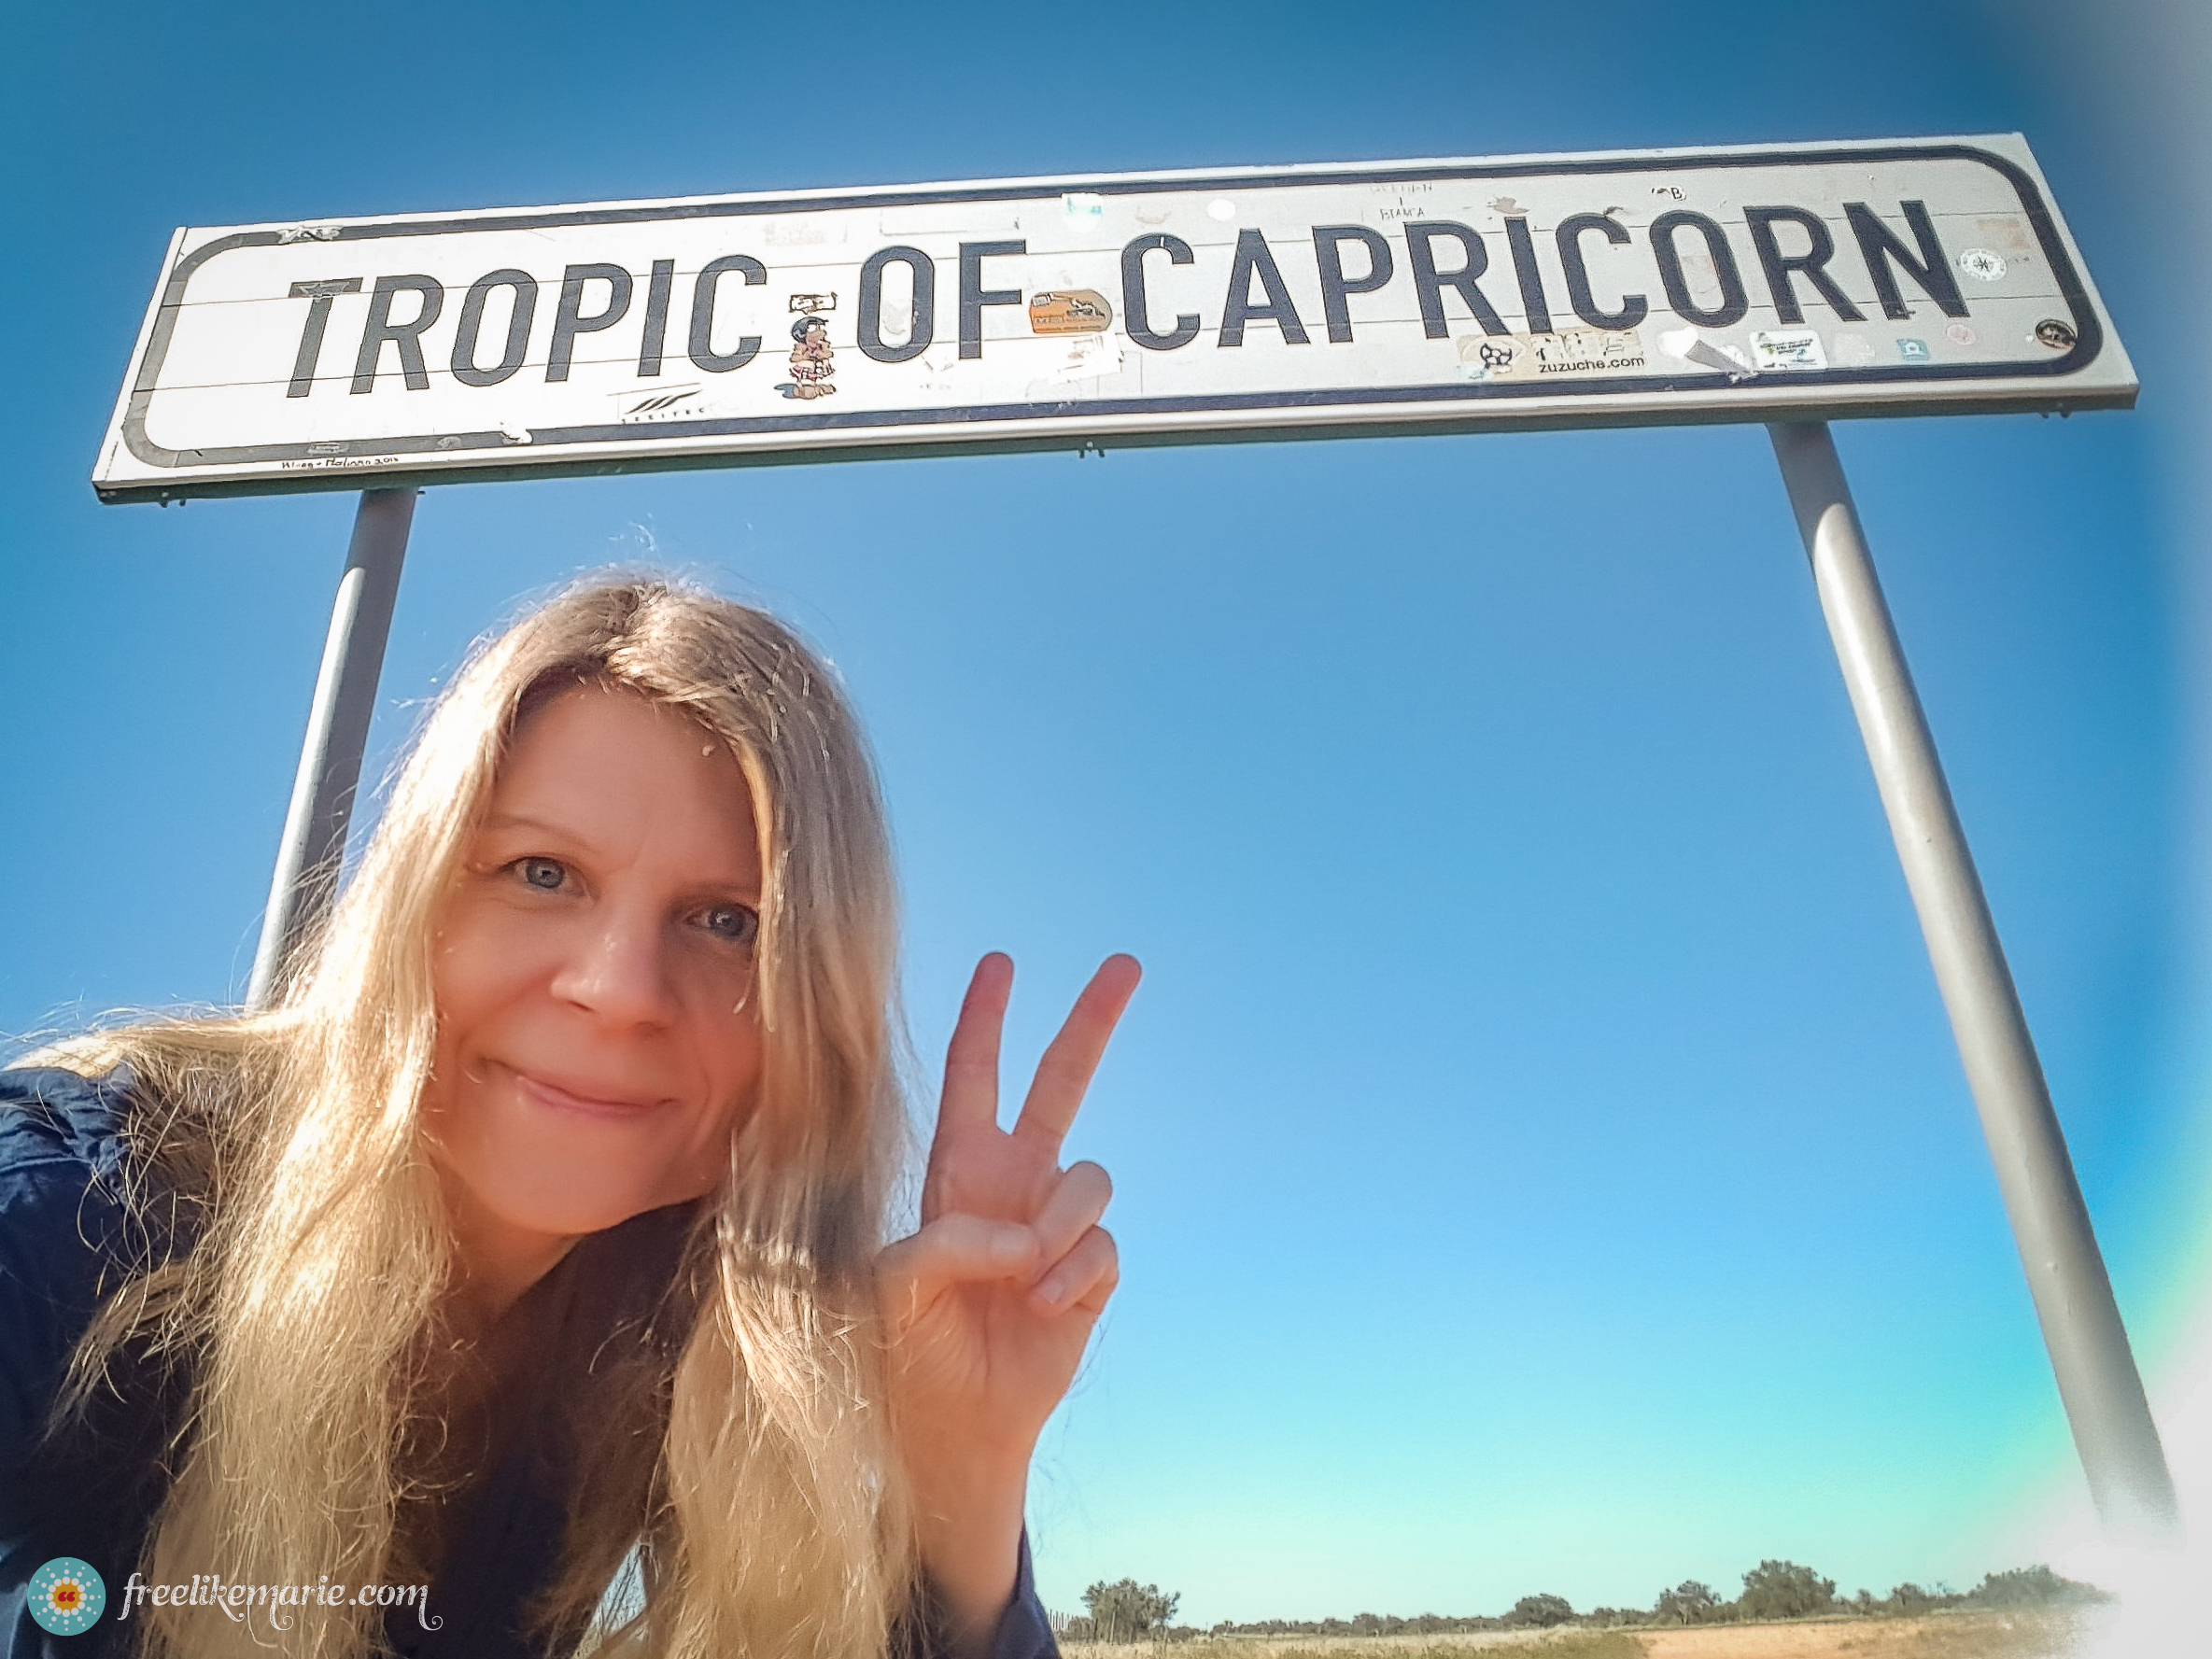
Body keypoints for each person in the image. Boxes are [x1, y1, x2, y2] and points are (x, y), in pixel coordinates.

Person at [0, 575, 1140, 1659]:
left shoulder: (685, 1332)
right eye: (542, 872)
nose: (619, 988)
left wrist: (962, 1475)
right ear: (415, 904)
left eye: (729, 922)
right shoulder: (77, 1218)